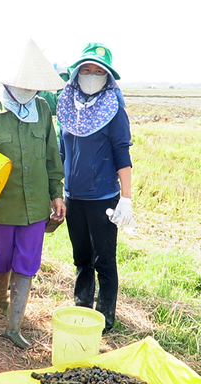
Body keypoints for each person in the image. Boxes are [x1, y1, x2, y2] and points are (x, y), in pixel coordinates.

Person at [0, 39, 66, 349]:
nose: (27, 88)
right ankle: (0, 303)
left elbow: (51, 155)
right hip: (0, 204)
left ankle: (13, 326)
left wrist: (56, 193)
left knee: (28, 262)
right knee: (2, 259)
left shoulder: (42, 109)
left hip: (35, 205)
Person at [56, 43, 133, 334]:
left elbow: (122, 155)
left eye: (98, 71)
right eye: (86, 69)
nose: (91, 75)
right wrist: (57, 191)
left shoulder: (113, 109)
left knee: (104, 259)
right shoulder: (67, 106)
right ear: (76, 73)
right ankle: (81, 308)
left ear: (108, 77)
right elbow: (61, 152)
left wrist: (126, 199)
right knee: (81, 257)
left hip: (103, 198)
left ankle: (105, 317)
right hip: (74, 197)